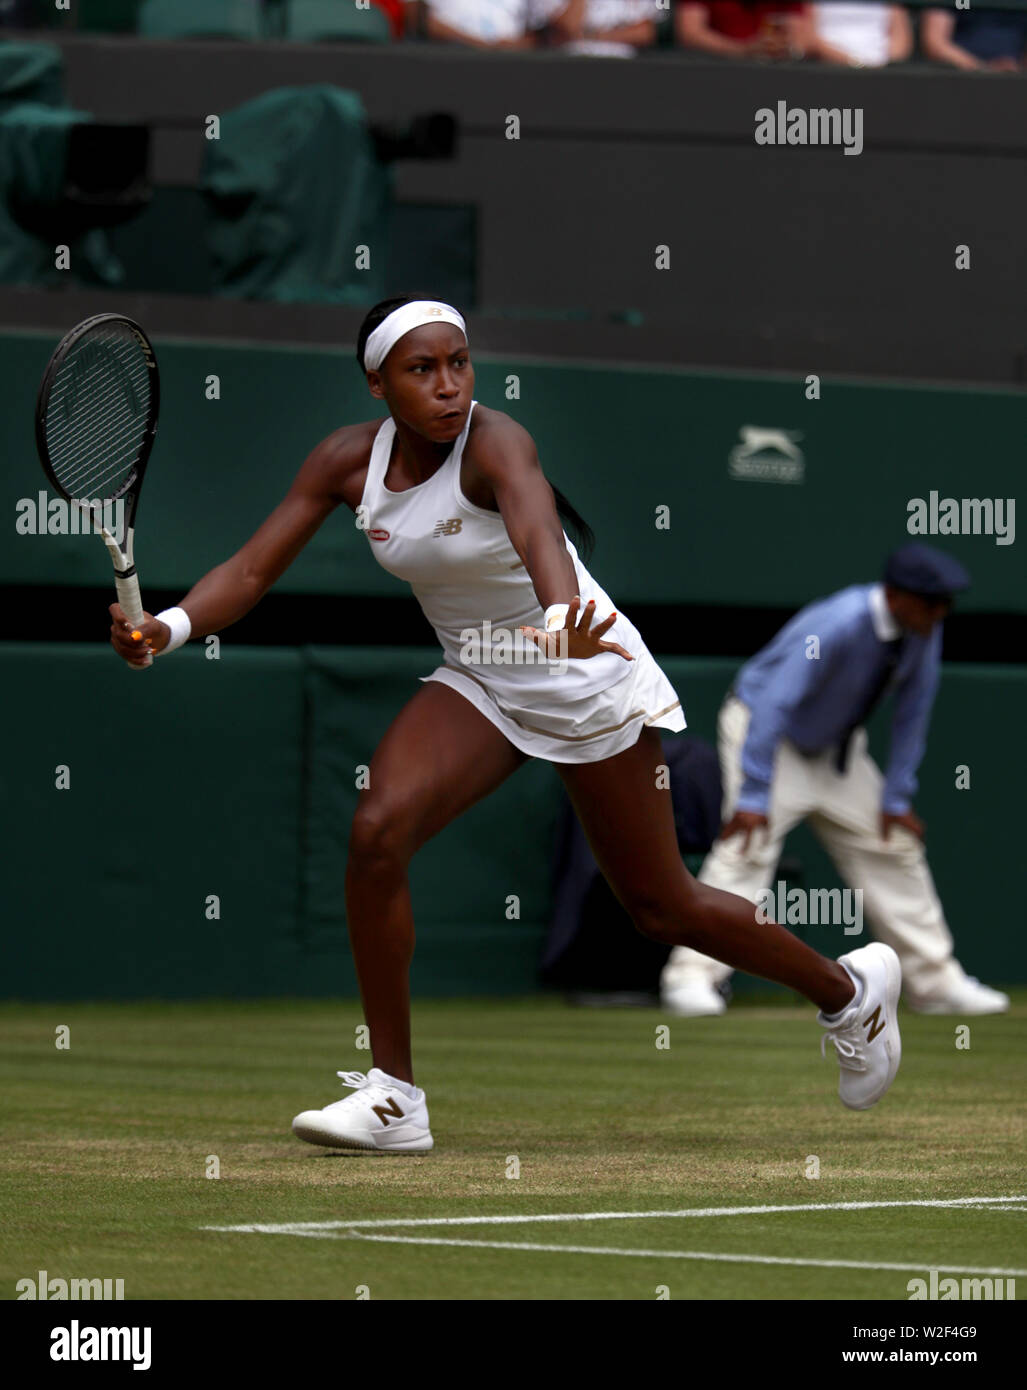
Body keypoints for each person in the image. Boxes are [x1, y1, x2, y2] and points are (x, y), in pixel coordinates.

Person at [110, 296, 903, 1153]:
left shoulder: (497, 442)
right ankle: (393, 1098)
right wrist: (170, 627)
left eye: (459, 363)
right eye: (422, 370)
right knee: (376, 831)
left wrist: (560, 615)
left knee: (660, 907)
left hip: (582, 670)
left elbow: (540, 536)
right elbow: (250, 569)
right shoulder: (345, 463)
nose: (449, 387)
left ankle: (846, 994)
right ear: (376, 383)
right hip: (482, 675)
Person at [660, 546, 1010, 1019]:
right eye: (932, 602)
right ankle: (690, 980)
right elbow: (774, 703)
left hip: (837, 749)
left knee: (894, 844)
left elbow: (913, 712)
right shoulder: (839, 623)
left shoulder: (924, 631)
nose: (941, 612)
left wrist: (896, 795)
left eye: (945, 602)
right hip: (767, 734)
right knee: (749, 845)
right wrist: (756, 794)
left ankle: (935, 984)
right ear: (897, 596)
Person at [676, 2, 811, 60]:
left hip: (777, 77)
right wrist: (743, 50)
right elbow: (689, 33)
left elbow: (804, 36)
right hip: (715, 72)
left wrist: (791, 46)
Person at [921, 6, 1027, 71]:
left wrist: (1016, 69)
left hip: (1014, 80)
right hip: (957, 79)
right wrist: (983, 68)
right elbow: (935, 43)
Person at [808, 2, 912, 67]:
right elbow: (805, 36)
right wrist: (856, 64)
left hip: (880, 73)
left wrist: (884, 67)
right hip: (827, 69)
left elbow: (900, 38)